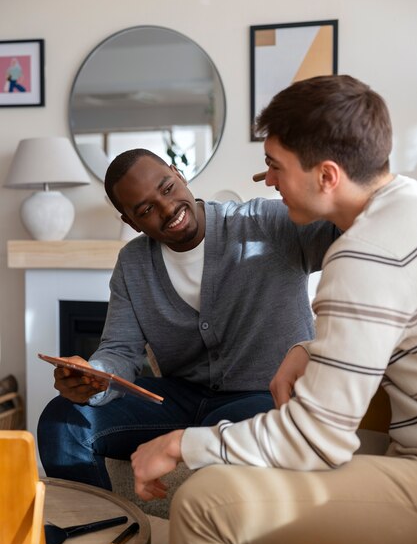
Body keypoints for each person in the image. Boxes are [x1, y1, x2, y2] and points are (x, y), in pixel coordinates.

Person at [130, 75, 417, 544]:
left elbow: (316, 439)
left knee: (204, 501)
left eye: (276, 167)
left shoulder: (363, 252)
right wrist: (310, 348)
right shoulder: (405, 208)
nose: (268, 181)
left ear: (327, 175)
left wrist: (178, 445)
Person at [37, 148, 338, 494]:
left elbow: (353, 226)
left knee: (218, 426)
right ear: (131, 222)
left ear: (178, 173)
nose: (167, 209)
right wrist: (96, 378)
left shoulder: (265, 223)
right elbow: (120, 350)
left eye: (167, 188)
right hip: (180, 401)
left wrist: (310, 183)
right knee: (62, 420)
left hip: (265, 397)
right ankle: (103, 534)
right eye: (146, 209)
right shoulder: (133, 264)